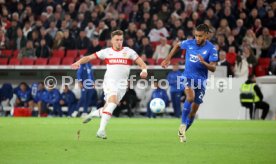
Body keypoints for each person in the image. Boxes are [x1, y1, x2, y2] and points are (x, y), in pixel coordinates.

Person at [71, 30, 147, 139]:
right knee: (112, 102)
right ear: (111, 41)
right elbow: (89, 57)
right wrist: (78, 62)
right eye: (117, 40)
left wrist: (144, 71)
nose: (119, 42)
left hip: (122, 85)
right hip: (109, 82)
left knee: (110, 106)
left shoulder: (129, 52)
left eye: (121, 40)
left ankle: (94, 113)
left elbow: (143, 64)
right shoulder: (106, 52)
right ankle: (101, 130)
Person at [161, 24, 218, 143]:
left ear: (206, 35)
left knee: (193, 111)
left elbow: (213, 68)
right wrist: (168, 59)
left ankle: (183, 131)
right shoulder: (189, 43)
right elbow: (177, 45)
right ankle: (182, 124)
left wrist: (204, 63)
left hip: (201, 81)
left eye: (200, 36)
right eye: (196, 35)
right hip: (187, 77)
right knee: (190, 97)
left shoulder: (212, 49)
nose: (197, 38)